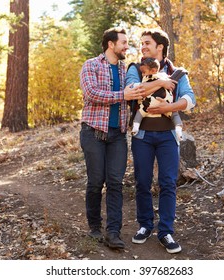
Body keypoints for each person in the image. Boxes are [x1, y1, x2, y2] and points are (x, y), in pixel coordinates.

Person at [125, 29, 196, 254]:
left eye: (147, 43)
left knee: (167, 183)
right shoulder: (135, 68)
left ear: (160, 47)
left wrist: (168, 107)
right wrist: (161, 82)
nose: (143, 47)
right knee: (143, 182)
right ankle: (145, 225)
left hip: (168, 136)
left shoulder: (177, 72)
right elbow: (134, 91)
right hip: (142, 136)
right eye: (141, 43)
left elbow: (189, 99)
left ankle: (165, 231)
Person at [79, 27, 143, 249]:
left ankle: (113, 232)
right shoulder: (91, 65)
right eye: (123, 42)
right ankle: (95, 227)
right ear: (110, 44)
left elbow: (136, 94)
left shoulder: (127, 70)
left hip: (118, 135)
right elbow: (91, 94)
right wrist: (122, 96)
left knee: (115, 183)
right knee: (96, 182)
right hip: (93, 132)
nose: (127, 46)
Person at [131, 57, 184, 142]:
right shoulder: (164, 78)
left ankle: (178, 129)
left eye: (144, 72)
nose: (142, 75)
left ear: (153, 70)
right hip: (148, 106)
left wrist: (169, 107)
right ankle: (178, 128)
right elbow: (136, 90)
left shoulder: (158, 77)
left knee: (140, 112)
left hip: (159, 107)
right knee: (174, 114)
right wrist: (162, 83)